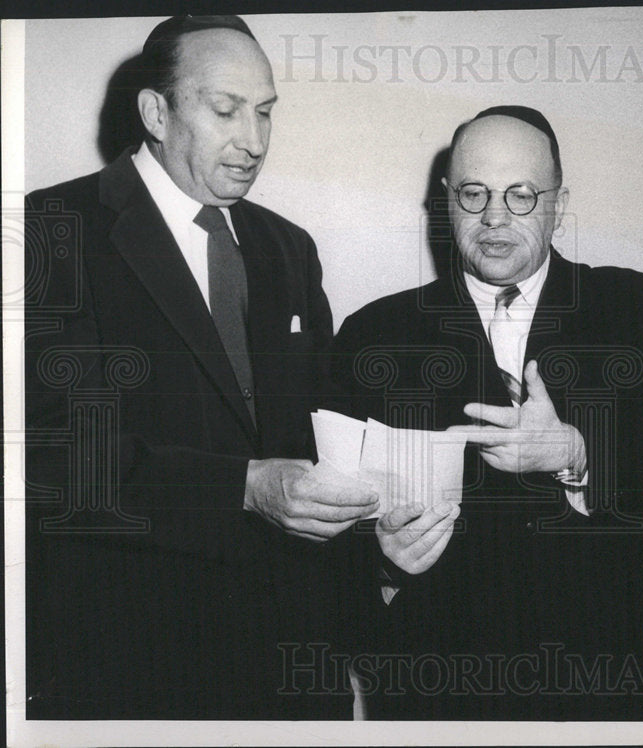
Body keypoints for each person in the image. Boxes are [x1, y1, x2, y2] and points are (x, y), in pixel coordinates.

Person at [24, 15, 379, 719]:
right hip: (130, 665)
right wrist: (242, 488)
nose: (254, 141)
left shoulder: (288, 247)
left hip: (292, 665)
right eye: (225, 110)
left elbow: (323, 427)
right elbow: (58, 451)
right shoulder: (52, 228)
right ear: (156, 112)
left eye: (265, 112)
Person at [332, 106, 643, 720]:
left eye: (522, 195)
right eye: (474, 194)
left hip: (611, 666)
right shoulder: (376, 332)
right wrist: (381, 560)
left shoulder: (629, 303)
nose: (495, 217)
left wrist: (576, 450)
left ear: (559, 201)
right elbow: (334, 506)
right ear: (446, 201)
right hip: (445, 676)